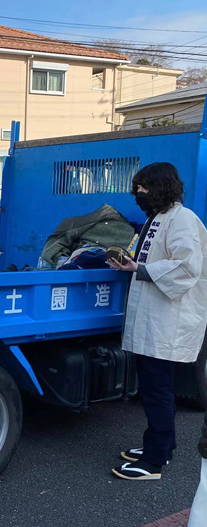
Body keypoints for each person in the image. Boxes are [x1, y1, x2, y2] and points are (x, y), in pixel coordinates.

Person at [108, 162, 207, 481]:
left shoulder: (183, 219)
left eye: (144, 187)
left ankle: (153, 462)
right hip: (155, 319)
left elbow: (187, 266)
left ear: (162, 187)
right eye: (137, 188)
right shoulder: (158, 219)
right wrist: (131, 264)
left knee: (157, 390)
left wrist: (139, 269)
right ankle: (164, 445)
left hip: (169, 321)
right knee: (155, 387)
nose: (139, 193)